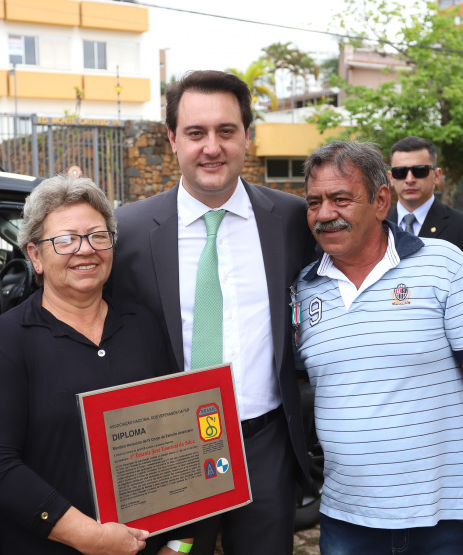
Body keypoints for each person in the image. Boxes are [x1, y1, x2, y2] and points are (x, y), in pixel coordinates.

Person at [109, 70, 316, 555]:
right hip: (169, 447)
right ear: (172, 139)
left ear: (248, 135)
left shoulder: (290, 219)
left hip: (264, 443)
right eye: (196, 133)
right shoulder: (129, 230)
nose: (212, 147)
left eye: (226, 131)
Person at [294, 141, 463, 554]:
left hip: (446, 522)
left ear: (381, 201)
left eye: (341, 199)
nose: (325, 214)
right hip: (345, 523)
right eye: (314, 202)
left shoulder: (446, 265)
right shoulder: (302, 289)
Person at [0, 175, 191, 555]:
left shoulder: (144, 325)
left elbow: (180, 437)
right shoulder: (6, 340)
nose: (86, 250)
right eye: (65, 240)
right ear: (35, 255)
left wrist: (180, 544)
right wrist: (90, 537)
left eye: (98, 236)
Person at [386, 136, 463, 320]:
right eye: (400, 172)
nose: (409, 179)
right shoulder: (376, 225)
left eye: (419, 171)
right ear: (391, 178)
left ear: (437, 175)